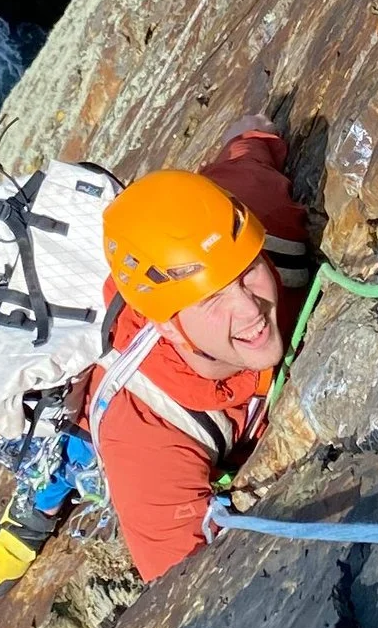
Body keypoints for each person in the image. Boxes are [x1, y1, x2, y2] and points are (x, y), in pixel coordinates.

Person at [86, 120, 313, 581]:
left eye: (249, 271)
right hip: (138, 409)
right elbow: (180, 589)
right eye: (212, 298)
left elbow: (251, 147)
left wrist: (252, 138)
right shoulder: (148, 438)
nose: (250, 309)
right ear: (168, 325)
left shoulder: (253, 221)